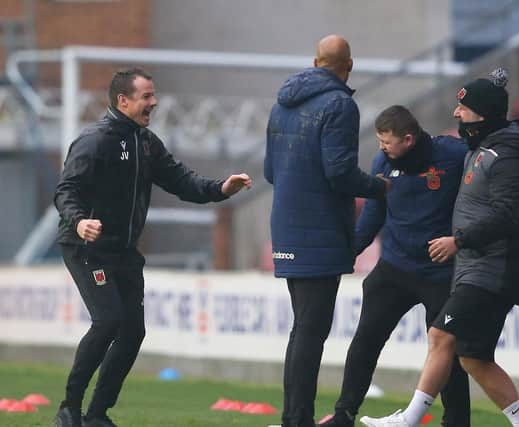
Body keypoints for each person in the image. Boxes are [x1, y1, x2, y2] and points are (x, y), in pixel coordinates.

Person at [53, 68, 252, 427]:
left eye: (153, 95)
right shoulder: (94, 140)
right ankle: (69, 408)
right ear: (123, 101)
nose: (154, 103)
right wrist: (80, 220)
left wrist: (221, 188)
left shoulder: (146, 143)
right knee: (108, 321)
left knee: (133, 332)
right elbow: (66, 190)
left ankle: (97, 414)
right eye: (147, 96)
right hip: (87, 247)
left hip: (124, 251)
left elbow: (182, 180)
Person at [359, 68, 519, 427]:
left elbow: (506, 215)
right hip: (478, 267)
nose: (456, 114)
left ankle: (410, 420)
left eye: (464, 108)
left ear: (484, 114)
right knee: (474, 357)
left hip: (494, 268)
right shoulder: (481, 148)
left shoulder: (506, 155)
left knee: (440, 334)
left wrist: (458, 240)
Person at [264, 35, 388, 427]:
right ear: (348, 65)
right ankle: (296, 419)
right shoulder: (340, 104)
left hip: (286, 228)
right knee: (310, 331)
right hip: (320, 230)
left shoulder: (281, 103)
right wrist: (377, 187)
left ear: (315, 61)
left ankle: (294, 416)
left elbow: (270, 171)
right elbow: (339, 172)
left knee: (303, 327)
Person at [321, 105, 471, 427]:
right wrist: (345, 255)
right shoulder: (382, 164)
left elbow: (491, 167)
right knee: (366, 339)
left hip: (440, 273)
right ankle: (344, 414)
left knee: (448, 351)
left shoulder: (452, 154)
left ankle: (457, 422)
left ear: (408, 139)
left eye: (386, 141)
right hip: (395, 268)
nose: (381, 147)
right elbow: (372, 217)